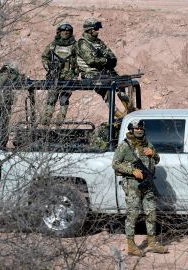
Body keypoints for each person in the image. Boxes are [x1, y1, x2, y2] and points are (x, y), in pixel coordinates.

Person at [112, 120, 168, 256]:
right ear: (131, 129)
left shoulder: (147, 143)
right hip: (133, 185)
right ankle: (131, 245)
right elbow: (115, 164)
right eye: (136, 128)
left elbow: (157, 159)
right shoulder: (125, 146)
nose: (139, 130)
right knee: (133, 214)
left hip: (147, 184)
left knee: (151, 213)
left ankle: (152, 242)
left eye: (141, 128)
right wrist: (132, 171)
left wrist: (153, 154)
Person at [76, 17, 132, 118]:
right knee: (107, 92)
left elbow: (110, 54)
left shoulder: (98, 42)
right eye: (96, 29)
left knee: (121, 83)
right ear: (90, 30)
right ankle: (118, 114)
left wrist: (111, 61)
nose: (98, 31)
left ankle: (129, 110)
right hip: (91, 74)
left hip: (104, 72)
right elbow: (90, 60)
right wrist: (106, 61)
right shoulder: (82, 44)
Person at [40, 21, 78, 125]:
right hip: (54, 76)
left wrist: (76, 73)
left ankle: (60, 118)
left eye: (68, 31)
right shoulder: (53, 46)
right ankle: (47, 118)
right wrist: (49, 67)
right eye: (63, 30)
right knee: (51, 98)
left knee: (64, 98)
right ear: (59, 32)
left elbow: (79, 60)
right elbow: (44, 57)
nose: (66, 32)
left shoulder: (75, 46)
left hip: (69, 77)